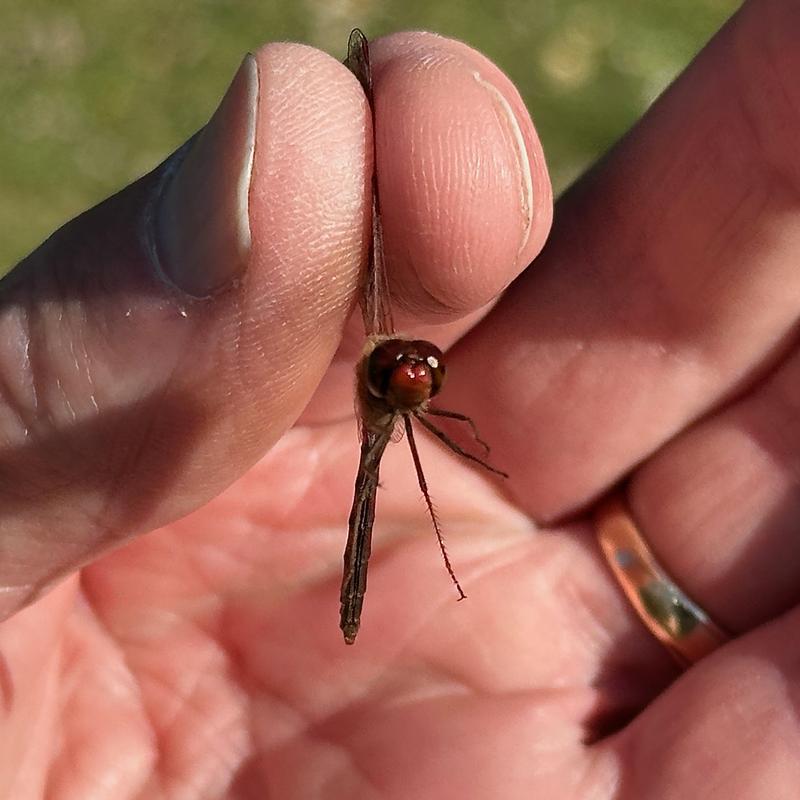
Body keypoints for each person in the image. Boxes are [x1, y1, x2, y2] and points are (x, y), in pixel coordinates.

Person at [1, 2, 798, 795]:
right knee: (402, 460)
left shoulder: (412, 376)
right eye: (409, 375)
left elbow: (444, 420)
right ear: (385, 377)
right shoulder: (379, 354)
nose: (419, 376)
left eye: (423, 373)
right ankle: (385, 589)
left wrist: (466, 435)